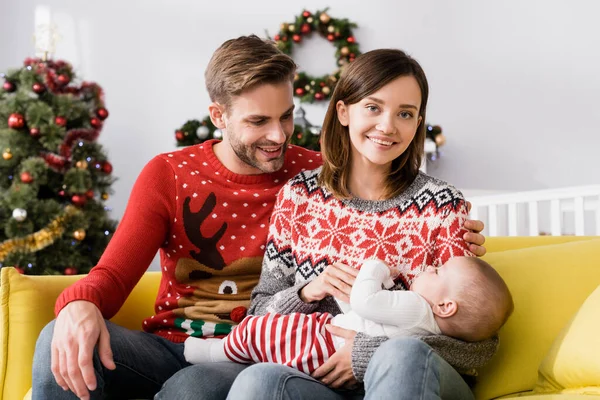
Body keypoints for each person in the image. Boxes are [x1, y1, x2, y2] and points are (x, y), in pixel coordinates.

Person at [31, 36, 487, 400]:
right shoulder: (292, 191)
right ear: (218, 116)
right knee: (60, 335)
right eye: (257, 122)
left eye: (286, 117)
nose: (277, 137)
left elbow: (466, 324)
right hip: (191, 347)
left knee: (204, 388)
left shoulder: (324, 178)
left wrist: (369, 349)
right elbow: (118, 270)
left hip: (282, 360)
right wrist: (79, 304)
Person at [225, 48, 499, 400]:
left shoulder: (443, 206)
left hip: (417, 378)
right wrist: (308, 291)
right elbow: (258, 315)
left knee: (402, 355)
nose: (387, 126)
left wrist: (368, 352)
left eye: (405, 113)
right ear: (343, 111)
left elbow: (477, 346)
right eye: (373, 107)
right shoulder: (299, 196)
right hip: (320, 381)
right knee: (260, 381)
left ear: (417, 124)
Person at [184, 256, 514, 372]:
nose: (429, 267)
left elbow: (368, 304)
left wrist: (375, 267)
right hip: (331, 344)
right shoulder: (426, 321)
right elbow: (366, 314)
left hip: (329, 344)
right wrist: (310, 292)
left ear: (445, 306)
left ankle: (216, 350)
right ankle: (217, 351)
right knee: (273, 337)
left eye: (438, 271)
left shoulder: (416, 307)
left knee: (265, 332)